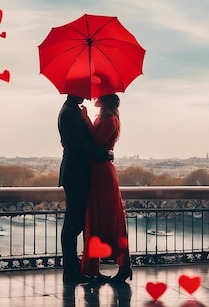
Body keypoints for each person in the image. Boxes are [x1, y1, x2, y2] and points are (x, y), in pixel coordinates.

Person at [58, 94, 114, 284]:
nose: (88, 95)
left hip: (74, 172)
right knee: (74, 223)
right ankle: (71, 269)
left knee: (74, 222)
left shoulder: (70, 111)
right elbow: (80, 145)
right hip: (76, 173)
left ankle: (72, 267)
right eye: (83, 91)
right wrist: (105, 154)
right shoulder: (70, 113)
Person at [80, 94, 132, 282]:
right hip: (98, 172)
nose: (94, 97)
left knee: (107, 220)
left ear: (105, 101)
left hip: (102, 174)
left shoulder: (110, 120)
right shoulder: (106, 119)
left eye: (99, 96)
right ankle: (121, 265)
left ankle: (120, 266)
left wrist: (85, 119)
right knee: (103, 219)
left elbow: (96, 140)